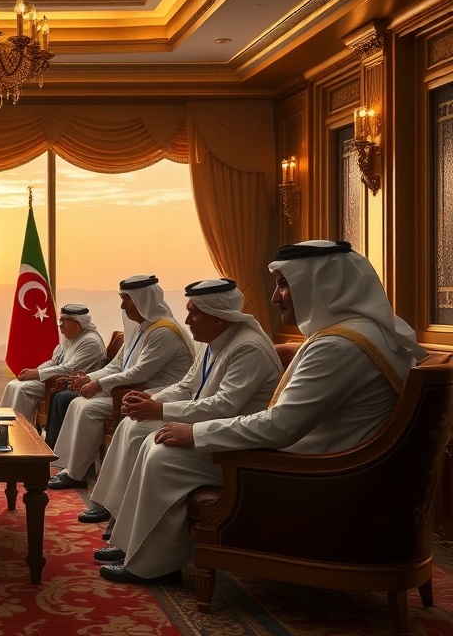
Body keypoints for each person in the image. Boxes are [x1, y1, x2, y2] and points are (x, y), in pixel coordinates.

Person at [98, 241, 426, 585]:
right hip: (335, 461)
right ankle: (137, 548)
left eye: (283, 285)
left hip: (318, 471)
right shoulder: (362, 333)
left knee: (165, 454)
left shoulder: (337, 346)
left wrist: (193, 433)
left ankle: (152, 565)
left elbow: (280, 426)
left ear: (321, 284)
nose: (274, 297)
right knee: (158, 443)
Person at [79, 278, 282, 533]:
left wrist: (160, 410)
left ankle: (139, 538)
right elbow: (186, 386)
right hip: (208, 424)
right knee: (131, 425)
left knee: (155, 449)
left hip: (229, 442)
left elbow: (224, 406)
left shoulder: (248, 347)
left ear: (218, 317)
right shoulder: (214, 341)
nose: (187, 321)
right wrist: (151, 401)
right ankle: (114, 511)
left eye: (193, 313)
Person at [47, 275, 195, 488]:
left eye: (127, 299)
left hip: (158, 393)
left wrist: (99, 385)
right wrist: (89, 378)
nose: (122, 306)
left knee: (88, 409)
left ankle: (78, 475)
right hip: (132, 390)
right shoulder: (142, 329)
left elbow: (139, 373)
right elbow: (117, 366)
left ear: (143, 300)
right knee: (78, 403)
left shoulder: (163, 331)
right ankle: (72, 467)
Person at [0, 304, 107, 429]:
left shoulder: (90, 342)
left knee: (23, 389)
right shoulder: (69, 336)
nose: (60, 325)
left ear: (77, 324)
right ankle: (3, 428)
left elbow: (70, 369)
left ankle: (21, 431)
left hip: (66, 383)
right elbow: (55, 361)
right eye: (61, 320)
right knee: (13, 385)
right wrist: (35, 371)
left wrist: (38, 374)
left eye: (65, 321)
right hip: (54, 378)